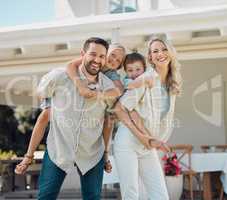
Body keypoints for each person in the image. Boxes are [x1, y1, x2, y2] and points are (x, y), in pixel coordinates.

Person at [15, 37, 117, 200]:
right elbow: (41, 93)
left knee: (93, 198)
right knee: (46, 197)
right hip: (58, 149)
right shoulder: (59, 77)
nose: (97, 60)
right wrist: (49, 104)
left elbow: (107, 123)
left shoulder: (108, 87)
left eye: (102, 56)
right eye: (93, 54)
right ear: (82, 54)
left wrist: (105, 155)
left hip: (92, 152)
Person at [113, 37, 182, 199]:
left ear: (171, 52)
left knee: (160, 195)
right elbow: (120, 107)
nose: (160, 54)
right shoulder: (146, 78)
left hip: (147, 145)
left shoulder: (172, 82)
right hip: (129, 141)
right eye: (155, 51)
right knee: (132, 194)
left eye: (164, 49)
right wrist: (144, 137)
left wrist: (151, 140)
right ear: (150, 57)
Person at [65, 44, 126, 172]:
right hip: (79, 100)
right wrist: (81, 86)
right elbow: (70, 65)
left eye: (118, 60)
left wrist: (99, 95)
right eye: (113, 55)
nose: (114, 60)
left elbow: (119, 89)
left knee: (109, 119)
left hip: (100, 103)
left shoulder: (111, 74)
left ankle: (105, 154)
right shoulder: (92, 61)